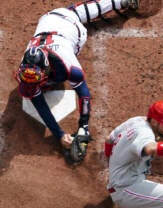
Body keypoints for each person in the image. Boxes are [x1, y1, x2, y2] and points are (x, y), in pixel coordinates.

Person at [14, 0, 139, 155]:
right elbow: (40, 106)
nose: (31, 82)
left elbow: (84, 95)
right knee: (74, 13)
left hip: (73, 29)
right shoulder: (27, 68)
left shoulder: (67, 65)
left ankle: (118, 1)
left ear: (46, 68)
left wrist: (83, 126)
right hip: (47, 20)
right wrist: (59, 134)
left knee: (58, 77)